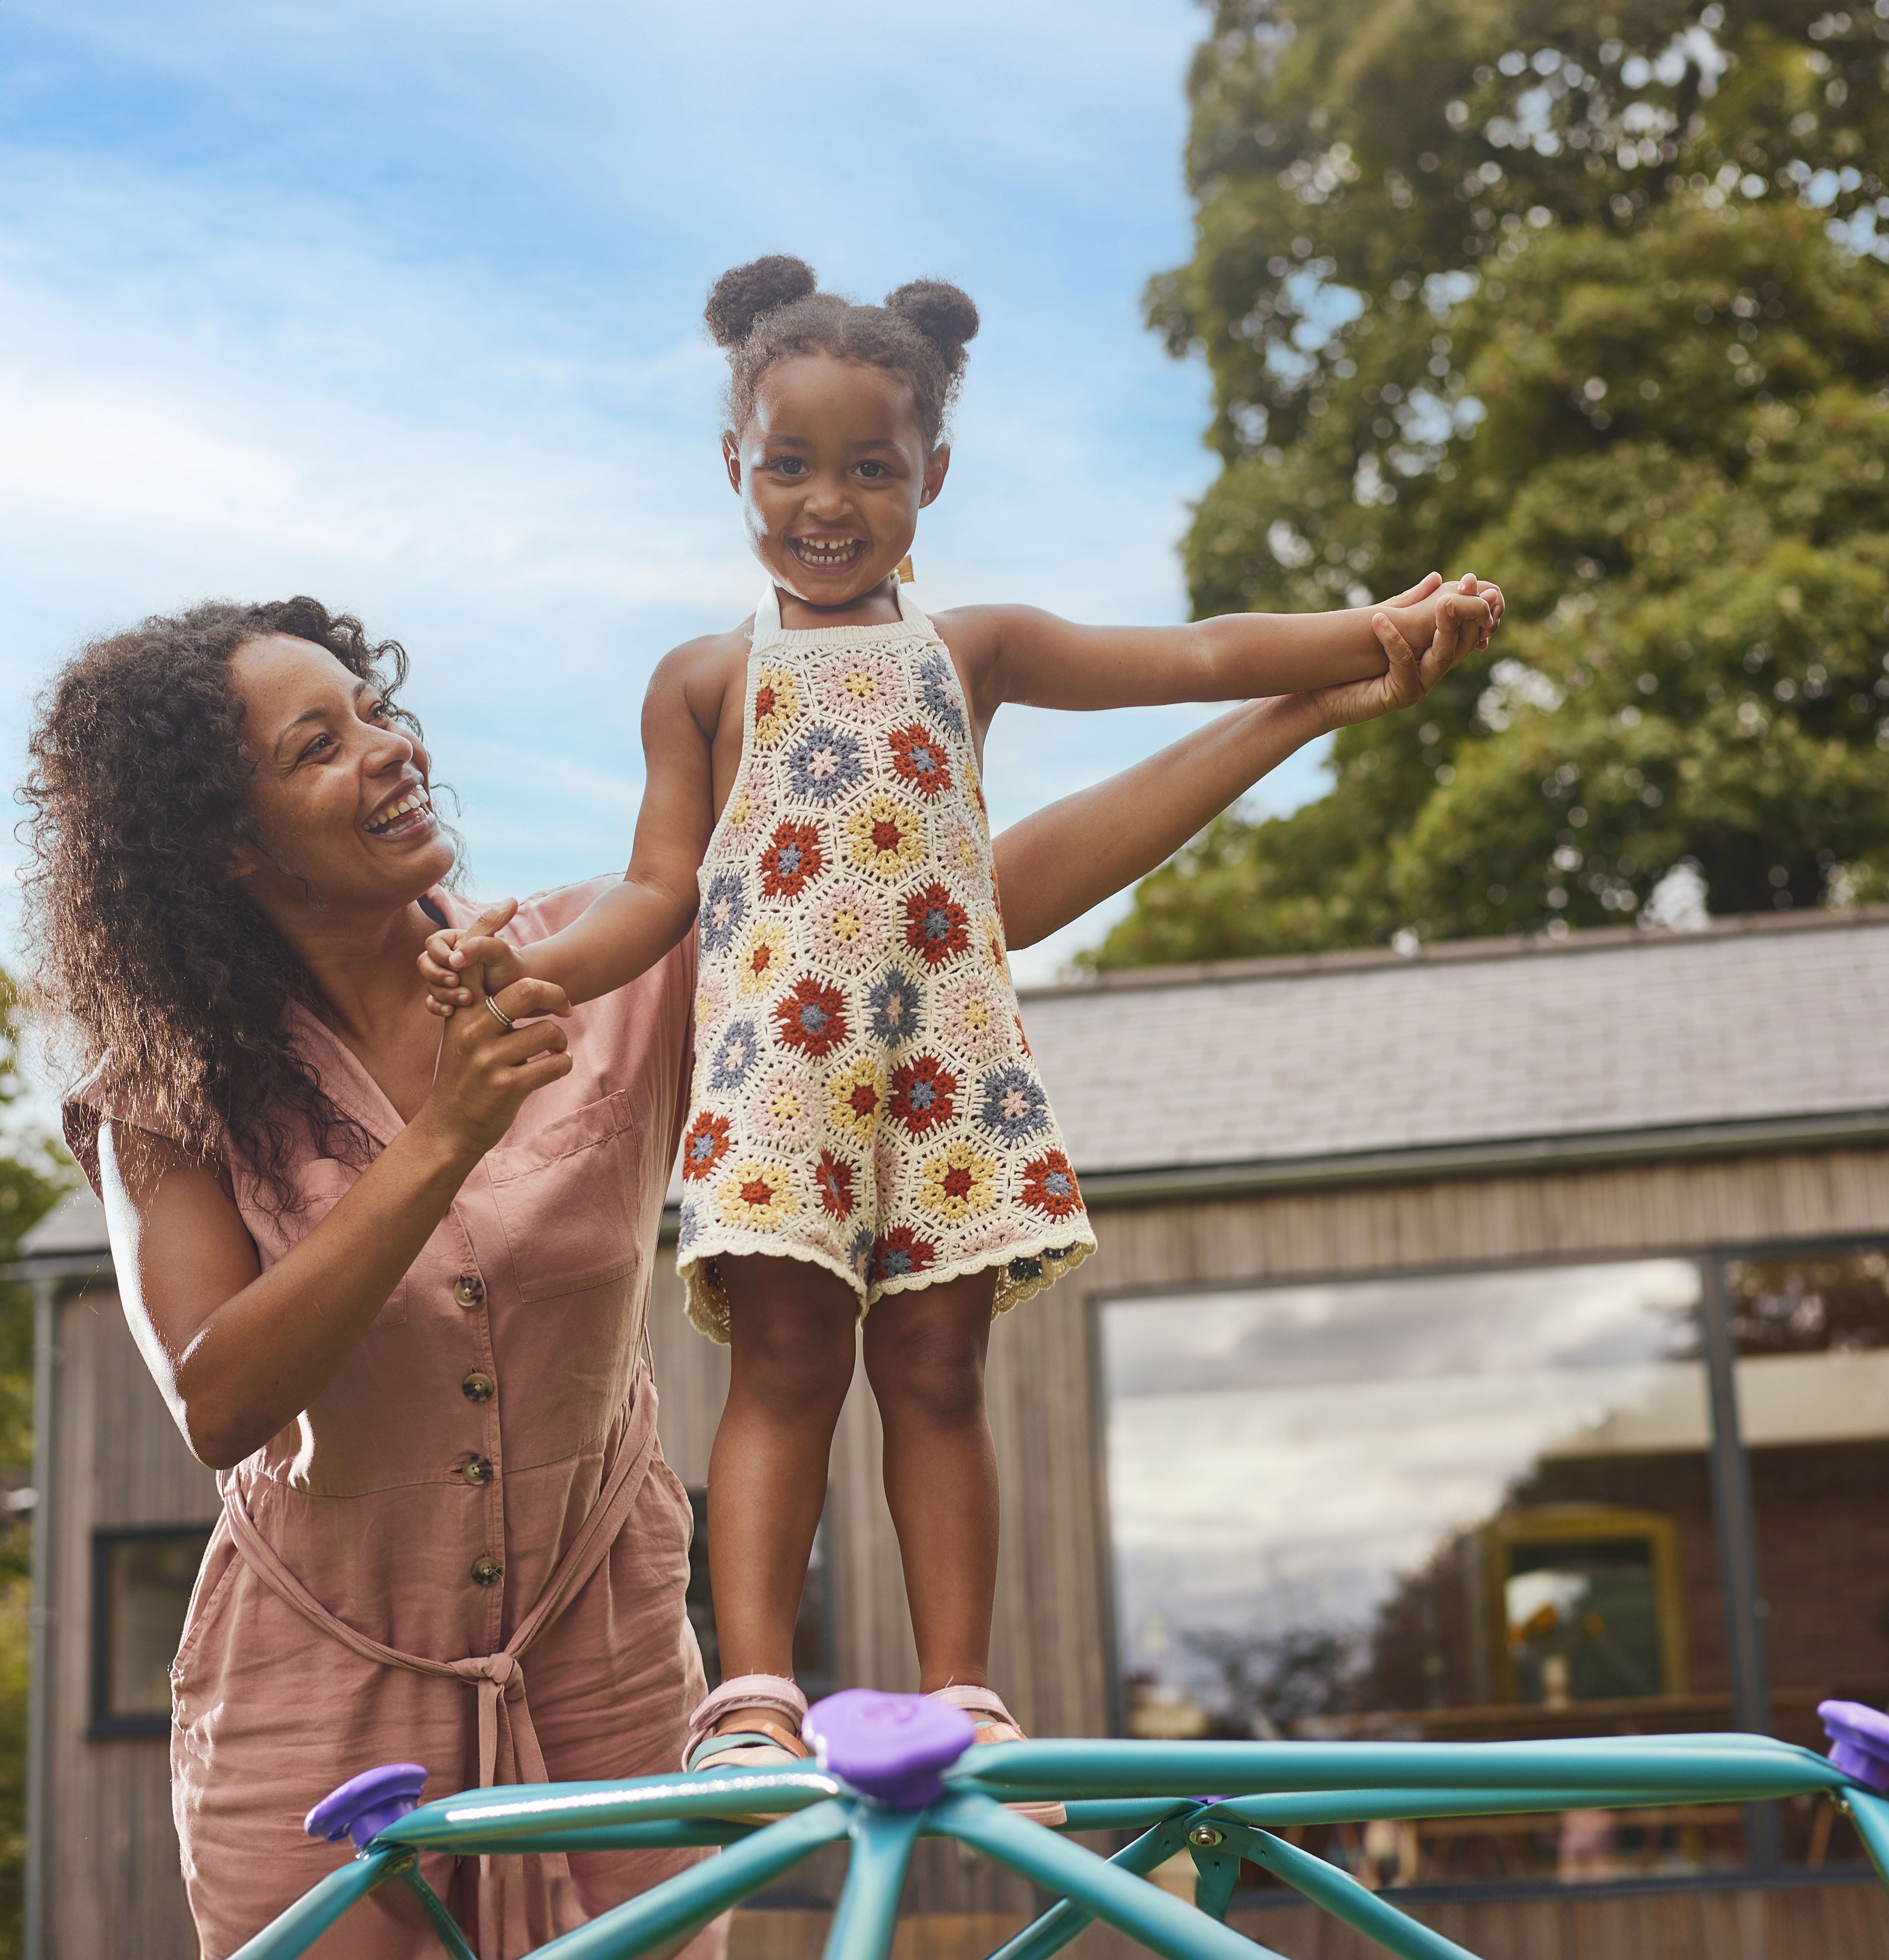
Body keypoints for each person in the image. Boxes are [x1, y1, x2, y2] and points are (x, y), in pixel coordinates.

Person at [22, 583, 1476, 1956]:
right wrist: (448, 1134)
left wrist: (1292, 710)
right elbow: (216, 1397)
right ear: (225, 844)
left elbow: (964, 903)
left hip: (605, 1660)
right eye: (317, 744)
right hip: (317, 1696)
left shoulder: (596, 960)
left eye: (372, 708)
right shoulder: (168, 1092)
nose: (390, 751)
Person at [417, 253, 1507, 1783]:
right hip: (777, 1085)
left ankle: (960, 1687)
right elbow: (659, 895)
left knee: (938, 1371)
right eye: (788, 463)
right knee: (784, 1368)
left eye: (872, 466)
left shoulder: (968, 650)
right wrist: (532, 975)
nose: (826, 499)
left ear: (933, 472)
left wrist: (1372, 628)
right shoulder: (701, 680)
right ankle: (755, 1694)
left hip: (944, 1080)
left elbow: (1192, 655)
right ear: (734, 464)